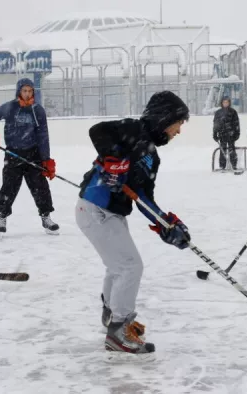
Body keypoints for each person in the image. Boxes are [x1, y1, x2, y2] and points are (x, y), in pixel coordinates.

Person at [75, 91, 191, 358]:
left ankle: (111, 314)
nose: (178, 131)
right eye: (178, 123)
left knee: (118, 267)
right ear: (165, 118)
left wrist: (166, 224)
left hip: (110, 213)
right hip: (95, 206)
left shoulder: (152, 156)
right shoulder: (132, 129)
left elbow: (143, 197)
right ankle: (118, 329)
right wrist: (114, 158)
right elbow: (98, 131)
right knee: (130, 266)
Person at [0, 77, 59, 235]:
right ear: (19, 91)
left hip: (33, 154)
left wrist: (46, 159)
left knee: (41, 187)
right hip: (13, 154)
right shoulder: (9, 107)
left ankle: (46, 217)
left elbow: (43, 136)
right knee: (9, 187)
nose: (27, 93)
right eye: (24, 90)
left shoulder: (38, 110)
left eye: (30, 91)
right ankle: (2, 216)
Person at [213, 96, 240, 171]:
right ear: (222, 103)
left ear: (229, 103)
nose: (225, 104)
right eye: (224, 102)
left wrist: (237, 133)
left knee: (232, 150)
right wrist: (215, 134)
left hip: (231, 134)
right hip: (222, 134)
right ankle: (222, 166)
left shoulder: (233, 112)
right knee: (222, 150)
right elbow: (215, 124)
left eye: (227, 102)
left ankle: (234, 165)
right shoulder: (218, 113)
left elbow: (236, 123)